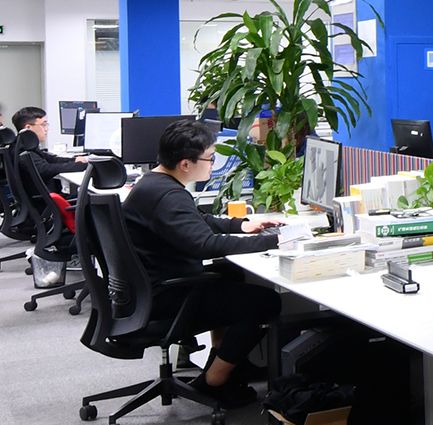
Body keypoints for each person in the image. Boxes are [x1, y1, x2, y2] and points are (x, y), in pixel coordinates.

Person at [121, 120, 284, 409]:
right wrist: (277, 242)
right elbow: (204, 244)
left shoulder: (153, 183)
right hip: (165, 297)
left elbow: (195, 221)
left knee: (228, 271)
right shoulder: (169, 195)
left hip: (149, 288)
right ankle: (215, 380)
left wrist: (241, 225)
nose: (213, 164)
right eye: (210, 158)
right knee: (266, 302)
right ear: (185, 163)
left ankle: (220, 357)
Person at [11, 107, 88, 192]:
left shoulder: (26, 145)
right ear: (28, 128)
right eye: (43, 124)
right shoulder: (23, 150)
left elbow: (51, 159)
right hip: (44, 198)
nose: (47, 129)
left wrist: (74, 160)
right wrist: (81, 166)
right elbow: (44, 169)